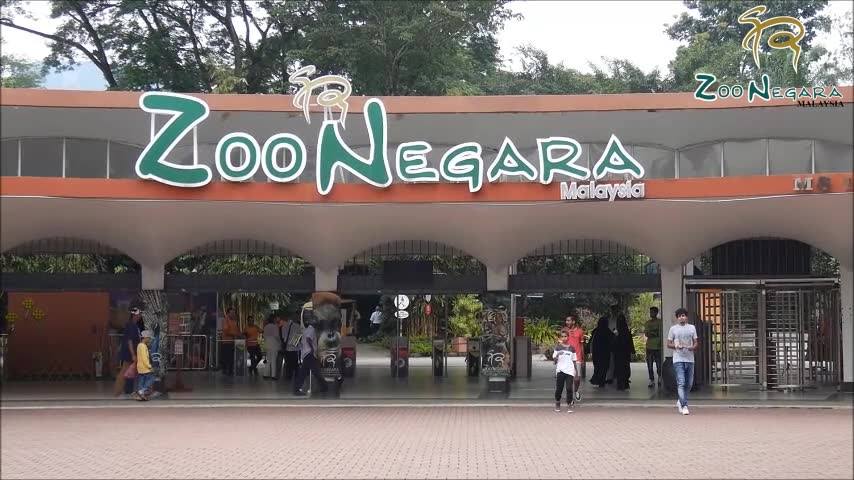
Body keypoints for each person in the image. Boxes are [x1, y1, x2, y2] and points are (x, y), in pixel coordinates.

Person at [667, 307, 698, 416]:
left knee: (689, 384)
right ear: (677, 318)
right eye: (680, 316)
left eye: (683, 315)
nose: (682, 317)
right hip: (678, 359)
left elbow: (696, 343)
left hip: (690, 359)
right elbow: (668, 344)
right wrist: (676, 347)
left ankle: (680, 401)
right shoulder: (673, 329)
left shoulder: (692, 328)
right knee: (681, 382)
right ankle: (684, 405)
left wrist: (692, 347)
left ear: (686, 317)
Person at [113, 305, 142, 397]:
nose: (140, 316)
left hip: (131, 352)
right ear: (134, 315)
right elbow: (129, 341)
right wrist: (133, 354)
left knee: (130, 372)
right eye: (139, 314)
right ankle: (118, 392)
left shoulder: (134, 325)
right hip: (129, 353)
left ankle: (128, 391)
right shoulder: (130, 325)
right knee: (124, 371)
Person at [293, 318, 327, 396]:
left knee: (305, 372)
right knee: (315, 371)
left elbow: (303, 340)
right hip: (309, 354)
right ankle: (324, 386)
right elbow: (308, 339)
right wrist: (312, 349)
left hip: (306, 354)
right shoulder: (311, 330)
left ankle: (324, 386)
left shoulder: (306, 330)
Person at [552, 331, 577, 413]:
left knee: (569, 388)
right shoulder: (558, 348)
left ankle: (569, 405)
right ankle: (557, 403)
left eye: (565, 336)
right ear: (560, 338)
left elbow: (574, 361)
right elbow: (554, 362)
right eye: (562, 336)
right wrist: (557, 355)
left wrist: (575, 371)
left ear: (568, 337)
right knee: (559, 388)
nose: (564, 338)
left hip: (569, 371)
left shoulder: (572, 348)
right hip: (560, 370)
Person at [562, 315, 585, 401]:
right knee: (569, 378)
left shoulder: (580, 331)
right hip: (567, 358)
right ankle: (570, 396)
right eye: (566, 321)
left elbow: (582, 345)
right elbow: (561, 344)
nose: (567, 322)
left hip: (577, 357)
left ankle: (576, 390)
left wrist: (583, 358)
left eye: (569, 320)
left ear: (573, 321)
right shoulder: (564, 330)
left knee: (577, 378)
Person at [589, 317, 614, 388]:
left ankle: (598, 380)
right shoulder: (608, 331)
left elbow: (592, 341)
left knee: (598, 367)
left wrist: (591, 351)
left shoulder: (596, 331)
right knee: (604, 367)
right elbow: (613, 339)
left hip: (596, 352)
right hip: (605, 353)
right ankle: (601, 381)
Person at [612, 316, 635, 391]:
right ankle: (625, 383)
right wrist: (632, 352)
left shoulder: (617, 332)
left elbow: (614, 343)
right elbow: (630, 343)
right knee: (625, 368)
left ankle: (620, 384)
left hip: (618, 353)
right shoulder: (627, 332)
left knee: (619, 368)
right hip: (625, 353)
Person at [133, 330, 155, 401]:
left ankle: (140, 395)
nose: (149, 340)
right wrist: (150, 366)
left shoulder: (139, 345)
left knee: (141, 381)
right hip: (145, 367)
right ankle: (141, 391)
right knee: (151, 379)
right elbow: (144, 358)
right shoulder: (143, 346)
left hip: (140, 367)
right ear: (145, 338)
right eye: (149, 338)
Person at [280, 311, 301, 381]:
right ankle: (297, 376)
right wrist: (294, 344)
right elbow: (298, 336)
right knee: (295, 363)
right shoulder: (297, 326)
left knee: (288, 363)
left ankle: (289, 376)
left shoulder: (284, 326)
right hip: (294, 348)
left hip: (287, 348)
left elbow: (283, 338)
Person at [644, 306, 663, 388]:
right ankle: (651, 380)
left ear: (656, 313)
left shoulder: (660, 322)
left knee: (659, 365)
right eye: (650, 312)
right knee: (649, 365)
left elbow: (660, 333)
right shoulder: (647, 323)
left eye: (653, 312)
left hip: (658, 347)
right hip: (649, 347)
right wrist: (653, 333)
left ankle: (659, 378)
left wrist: (652, 333)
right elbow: (647, 334)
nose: (651, 314)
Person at [221, 307, 240, 375]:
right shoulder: (226, 320)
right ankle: (226, 370)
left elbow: (237, 330)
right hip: (226, 341)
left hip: (233, 341)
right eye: (232, 313)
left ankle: (231, 370)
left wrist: (239, 335)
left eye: (234, 312)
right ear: (228, 313)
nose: (233, 314)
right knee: (227, 357)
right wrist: (234, 335)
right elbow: (226, 331)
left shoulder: (234, 320)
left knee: (232, 357)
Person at [263, 314, 281, 380]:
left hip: (267, 344)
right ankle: (273, 375)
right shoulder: (275, 326)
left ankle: (265, 374)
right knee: (273, 360)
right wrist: (280, 343)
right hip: (274, 344)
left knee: (268, 360)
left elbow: (264, 336)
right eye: (276, 318)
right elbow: (277, 336)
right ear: (273, 319)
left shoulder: (266, 326)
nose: (276, 320)